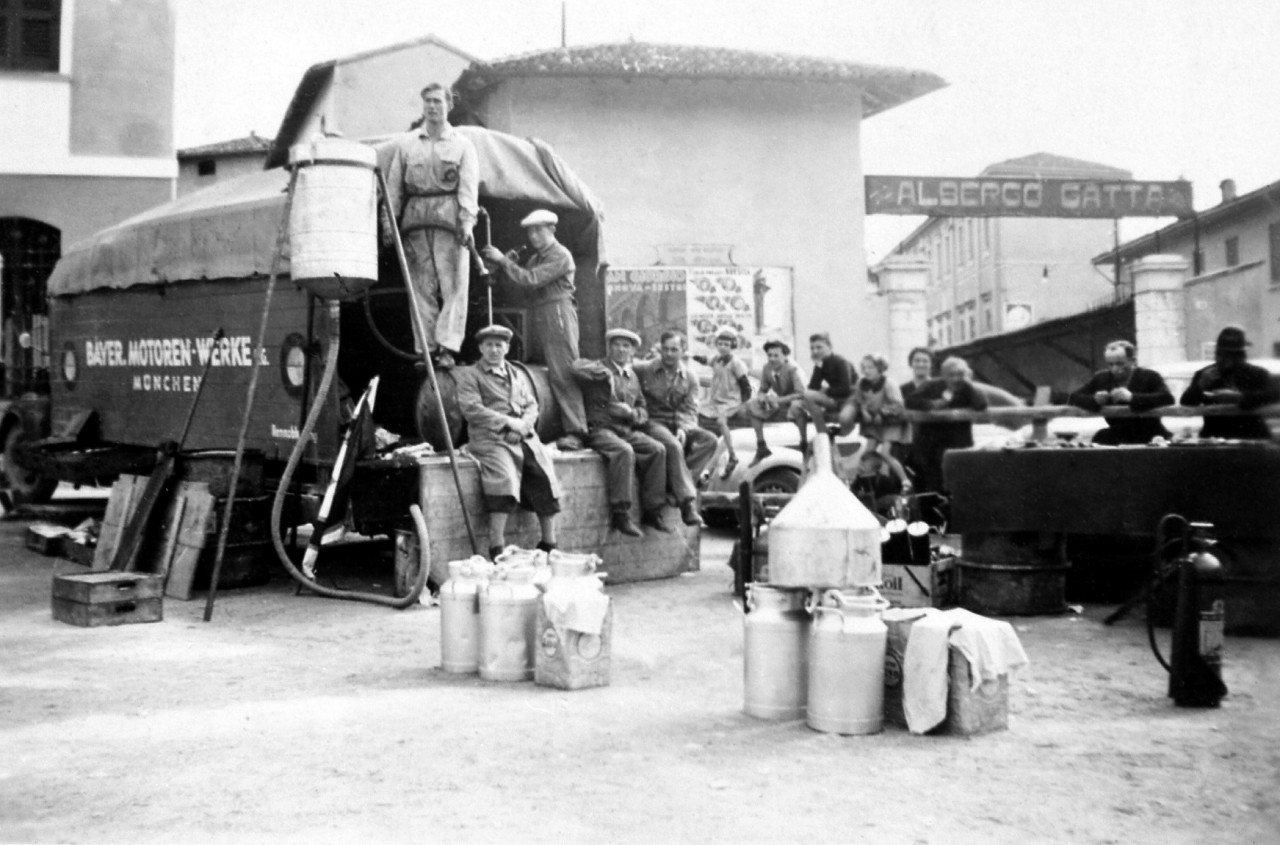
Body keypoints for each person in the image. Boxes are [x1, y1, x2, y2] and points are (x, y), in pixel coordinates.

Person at [383, 82, 479, 365]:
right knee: (421, 286)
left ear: (449, 105)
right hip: (416, 218)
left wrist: (466, 222)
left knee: (453, 284)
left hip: (449, 216)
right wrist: (389, 224)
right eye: (428, 101)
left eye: (438, 101)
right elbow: (393, 188)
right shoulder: (407, 144)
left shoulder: (462, 145)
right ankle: (426, 349)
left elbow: (469, 188)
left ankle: (447, 349)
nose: (433, 106)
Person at [480, 209, 589, 449]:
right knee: (545, 370)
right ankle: (556, 427)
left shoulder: (560, 255)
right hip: (541, 313)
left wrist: (504, 262)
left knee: (564, 372)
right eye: (530, 231)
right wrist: (505, 267)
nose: (534, 236)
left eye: (539, 229)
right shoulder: (535, 260)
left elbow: (531, 280)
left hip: (558, 313)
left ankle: (577, 432)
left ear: (552, 229)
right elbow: (519, 288)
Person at [453, 325, 562, 560]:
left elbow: (532, 405)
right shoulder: (470, 376)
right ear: (481, 348)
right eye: (489, 345)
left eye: (499, 345)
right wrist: (508, 423)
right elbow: (472, 410)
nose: (494, 350)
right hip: (489, 438)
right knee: (503, 479)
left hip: (521, 435)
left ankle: (549, 544)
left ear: (507, 348)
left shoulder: (516, 374)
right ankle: (496, 548)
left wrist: (523, 427)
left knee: (544, 474)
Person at [571, 328, 671, 536]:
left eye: (626, 346)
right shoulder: (599, 367)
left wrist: (633, 413)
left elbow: (644, 409)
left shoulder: (632, 376)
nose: (621, 349)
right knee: (624, 451)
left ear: (633, 351)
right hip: (600, 428)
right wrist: (605, 373)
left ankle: (652, 511)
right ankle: (620, 514)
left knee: (657, 449)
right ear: (609, 347)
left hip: (625, 427)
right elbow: (575, 367)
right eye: (617, 345)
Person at [633, 331, 712, 527]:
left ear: (683, 351)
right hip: (653, 422)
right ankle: (686, 504)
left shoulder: (690, 377)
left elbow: (691, 408)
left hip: (679, 423)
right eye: (665, 349)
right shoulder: (644, 369)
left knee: (709, 440)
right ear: (660, 349)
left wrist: (684, 429)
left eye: (674, 349)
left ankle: (673, 486)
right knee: (673, 446)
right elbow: (623, 370)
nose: (669, 354)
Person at [904, 356, 988, 497]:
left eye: (959, 374)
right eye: (951, 375)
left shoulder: (966, 387)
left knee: (959, 484)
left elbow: (981, 404)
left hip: (958, 443)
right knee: (935, 485)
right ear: (943, 375)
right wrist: (934, 404)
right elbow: (910, 400)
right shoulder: (932, 385)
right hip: (931, 445)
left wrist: (968, 383)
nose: (955, 379)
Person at [1179, 326, 1280, 439]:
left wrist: (1239, 397)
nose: (1222, 359)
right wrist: (1201, 385)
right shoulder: (1205, 374)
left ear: (1240, 356)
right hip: (1215, 436)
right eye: (1219, 354)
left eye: (1229, 355)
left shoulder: (1256, 374)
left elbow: (1273, 395)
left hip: (1251, 436)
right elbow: (1186, 402)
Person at [1068, 340, 1173, 445]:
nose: (1115, 369)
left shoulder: (1149, 376)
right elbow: (1073, 398)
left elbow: (1167, 398)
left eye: (1120, 364)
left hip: (1151, 434)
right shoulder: (1102, 378)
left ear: (1133, 361)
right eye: (1110, 364)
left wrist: (1132, 398)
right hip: (1117, 435)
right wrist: (1094, 400)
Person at [849, 354, 911, 492]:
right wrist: (864, 410)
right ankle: (858, 482)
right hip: (874, 425)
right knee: (868, 452)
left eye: (870, 367)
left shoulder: (889, 383)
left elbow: (898, 404)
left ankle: (905, 480)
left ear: (880, 368)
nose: (866, 370)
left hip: (890, 423)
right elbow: (859, 400)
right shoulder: (861, 383)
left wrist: (882, 412)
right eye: (864, 367)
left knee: (885, 453)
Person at [697, 328, 753, 479]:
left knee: (721, 422)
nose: (723, 347)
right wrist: (692, 356)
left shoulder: (737, 363)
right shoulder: (716, 359)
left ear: (732, 346)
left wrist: (743, 403)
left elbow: (745, 385)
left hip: (731, 401)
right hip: (716, 400)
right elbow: (705, 361)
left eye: (726, 344)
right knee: (699, 415)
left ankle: (732, 454)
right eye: (720, 343)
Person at [787, 332, 855, 455]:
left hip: (847, 401)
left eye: (819, 347)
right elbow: (813, 387)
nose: (815, 351)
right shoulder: (821, 364)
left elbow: (846, 389)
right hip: (834, 398)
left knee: (808, 395)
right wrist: (818, 367)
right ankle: (804, 439)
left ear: (829, 346)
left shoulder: (841, 362)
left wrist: (826, 391)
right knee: (796, 405)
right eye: (812, 348)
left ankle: (822, 433)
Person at [746, 339, 806, 467]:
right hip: (781, 400)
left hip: (799, 400)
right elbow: (762, 389)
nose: (772, 359)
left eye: (776, 355)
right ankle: (761, 446)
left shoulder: (793, 369)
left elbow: (801, 393)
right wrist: (762, 397)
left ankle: (804, 443)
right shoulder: (767, 368)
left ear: (785, 356)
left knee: (796, 407)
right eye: (769, 355)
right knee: (752, 405)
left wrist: (778, 400)